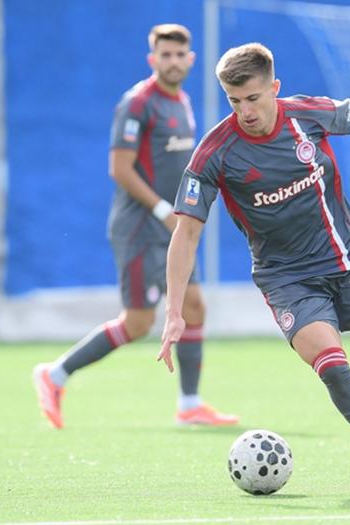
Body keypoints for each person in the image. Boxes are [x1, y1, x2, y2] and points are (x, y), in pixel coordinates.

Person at [158, 42, 350, 494]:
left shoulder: (307, 115)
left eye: (253, 98)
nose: (245, 111)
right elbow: (186, 232)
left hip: (347, 260)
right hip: (287, 280)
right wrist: (175, 311)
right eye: (234, 101)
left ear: (274, 87)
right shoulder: (214, 153)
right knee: (333, 368)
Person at [33, 24, 238, 429]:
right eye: (165, 55)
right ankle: (54, 375)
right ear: (152, 59)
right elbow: (120, 169)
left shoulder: (182, 102)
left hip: (173, 228)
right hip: (140, 228)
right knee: (139, 323)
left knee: (194, 307)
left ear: (191, 59)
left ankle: (190, 404)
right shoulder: (138, 103)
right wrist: (162, 209)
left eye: (179, 55)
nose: (173, 61)